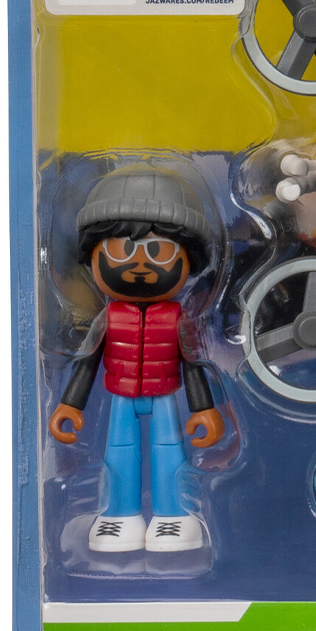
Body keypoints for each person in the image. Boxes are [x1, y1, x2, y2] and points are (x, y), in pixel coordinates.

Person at [48, 166, 225, 553]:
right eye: (121, 251)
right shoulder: (108, 319)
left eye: (159, 252)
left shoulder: (178, 320)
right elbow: (87, 362)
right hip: (121, 397)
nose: (140, 264)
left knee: (169, 452)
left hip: (165, 396)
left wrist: (204, 409)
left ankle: (173, 515)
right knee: (119, 455)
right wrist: (70, 403)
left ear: (189, 259)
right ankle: (118, 515)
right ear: (94, 255)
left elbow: (193, 364)